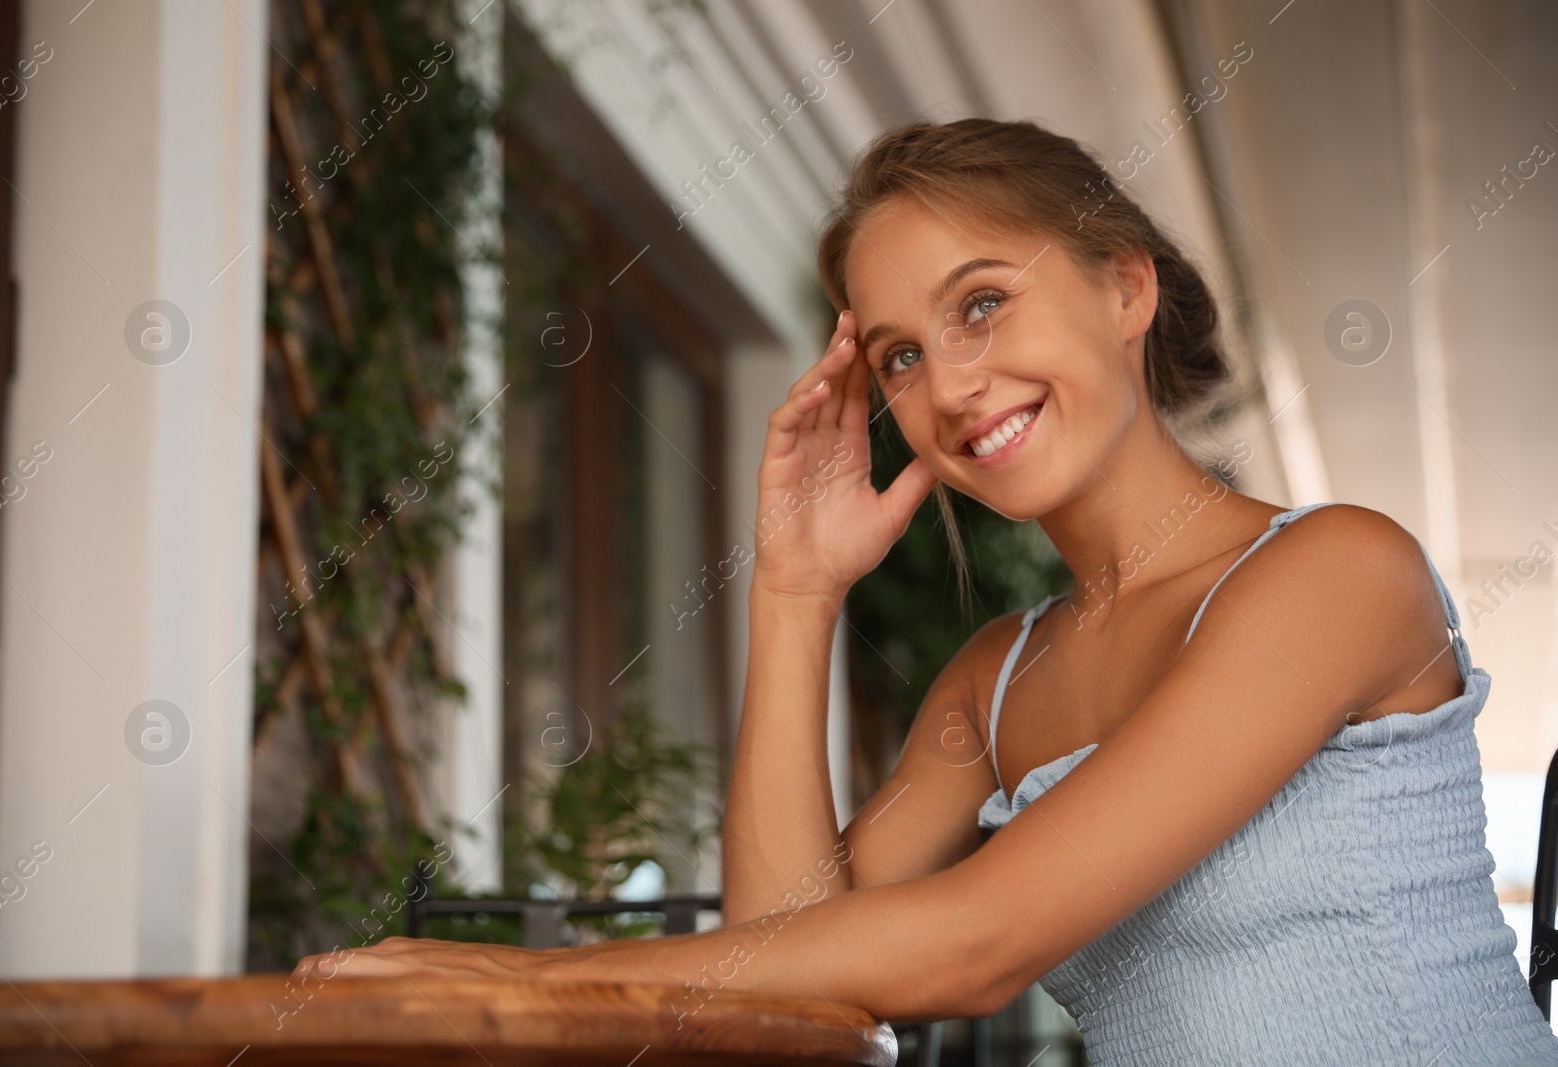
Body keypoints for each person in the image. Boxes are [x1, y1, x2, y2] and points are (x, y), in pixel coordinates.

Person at [294, 119, 1558, 1064]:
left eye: (984, 305)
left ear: (1125, 287)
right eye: (902, 353)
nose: (951, 386)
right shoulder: (994, 680)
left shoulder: (1333, 570)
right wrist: (793, 593)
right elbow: (789, 982)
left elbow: (973, 940)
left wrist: (519, 979)